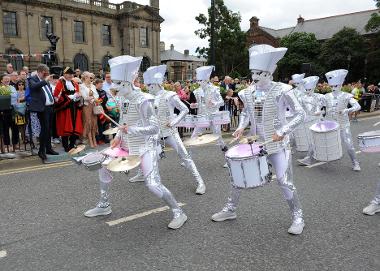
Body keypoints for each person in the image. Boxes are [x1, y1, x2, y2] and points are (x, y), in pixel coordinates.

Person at [211, 44, 306, 235]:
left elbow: (300, 114)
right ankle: (231, 209)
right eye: (253, 72)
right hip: (255, 143)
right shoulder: (247, 92)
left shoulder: (284, 90)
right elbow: (246, 113)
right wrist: (239, 127)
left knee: (284, 180)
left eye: (259, 72)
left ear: (269, 72)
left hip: (278, 144)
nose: (255, 76)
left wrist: (283, 130)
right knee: (238, 174)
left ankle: (298, 215)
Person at [84, 55, 187, 230]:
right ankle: (104, 205)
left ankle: (179, 212)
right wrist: (117, 138)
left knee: (153, 185)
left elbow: (155, 128)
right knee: (103, 164)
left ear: (128, 83)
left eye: (118, 83)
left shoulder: (144, 100)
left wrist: (132, 130)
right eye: (114, 83)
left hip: (145, 147)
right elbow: (123, 121)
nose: (114, 87)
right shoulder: (124, 99)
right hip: (126, 145)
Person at [129, 65, 206, 194]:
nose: (147, 87)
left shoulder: (170, 95)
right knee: (146, 154)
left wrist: (174, 121)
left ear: (156, 84)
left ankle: (200, 182)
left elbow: (185, 109)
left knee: (185, 157)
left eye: (149, 85)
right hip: (155, 134)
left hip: (170, 133)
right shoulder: (148, 97)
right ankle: (142, 174)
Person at [321, 69, 361, 171]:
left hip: (343, 124)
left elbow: (357, 106)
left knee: (349, 145)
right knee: (319, 140)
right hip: (329, 123)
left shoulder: (346, 95)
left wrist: (347, 110)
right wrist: (320, 114)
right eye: (332, 86)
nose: (334, 88)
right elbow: (321, 108)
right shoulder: (326, 96)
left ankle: (355, 162)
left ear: (341, 84)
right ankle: (310, 158)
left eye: (336, 86)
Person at [191, 66, 228, 167]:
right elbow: (201, 104)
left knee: (218, 138)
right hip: (202, 117)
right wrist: (195, 105)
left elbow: (221, 102)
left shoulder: (215, 89)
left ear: (206, 79)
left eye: (201, 80)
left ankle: (228, 159)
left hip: (213, 116)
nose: (199, 82)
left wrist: (214, 103)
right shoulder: (197, 91)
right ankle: (189, 160)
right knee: (194, 136)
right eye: (198, 80)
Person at [28, 64, 59, 160]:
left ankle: (48, 148)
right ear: (41, 71)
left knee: (49, 129)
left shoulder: (45, 81)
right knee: (44, 130)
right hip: (42, 109)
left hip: (50, 107)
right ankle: (41, 151)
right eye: (45, 73)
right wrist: (45, 80)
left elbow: (47, 91)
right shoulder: (32, 79)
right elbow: (34, 87)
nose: (47, 75)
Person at [53, 67, 83, 152]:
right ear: (64, 74)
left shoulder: (75, 83)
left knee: (74, 126)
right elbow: (56, 96)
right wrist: (69, 98)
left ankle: (72, 144)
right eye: (69, 74)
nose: (70, 75)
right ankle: (66, 146)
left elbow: (78, 93)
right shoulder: (60, 83)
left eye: (72, 74)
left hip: (74, 107)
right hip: (65, 108)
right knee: (65, 126)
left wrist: (78, 96)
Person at [297, 76, 324, 166]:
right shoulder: (302, 98)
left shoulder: (319, 96)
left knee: (314, 139)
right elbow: (300, 109)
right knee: (310, 140)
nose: (308, 91)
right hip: (307, 121)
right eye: (306, 89)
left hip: (317, 120)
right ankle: (312, 156)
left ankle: (310, 158)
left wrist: (320, 111)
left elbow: (326, 108)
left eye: (310, 89)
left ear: (314, 88)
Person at [80, 72, 99, 148]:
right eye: (89, 77)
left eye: (91, 77)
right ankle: (90, 140)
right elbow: (84, 97)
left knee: (94, 122)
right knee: (88, 122)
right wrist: (92, 98)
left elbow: (96, 95)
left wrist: (94, 98)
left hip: (93, 105)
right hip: (86, 106)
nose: (91, 79)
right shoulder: (81, 86)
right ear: (85, 77)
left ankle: (94, 139)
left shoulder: (93, 86)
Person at [0, 75, 19, 152]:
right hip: (3, 111)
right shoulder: (0, 88)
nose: (7, 80)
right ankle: (7, 146)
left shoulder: (12, 87)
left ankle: (15, 145)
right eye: (5, 79)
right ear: (1, 80)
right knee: (5, 129)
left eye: (8, 79)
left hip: (13, 110)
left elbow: (16, 97)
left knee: (15, 128)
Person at [94, 78, 109, 144]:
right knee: (100, 125)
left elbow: (106, 100)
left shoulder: (104, 91)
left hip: (105, 109)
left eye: (102, 84)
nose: (101, 85)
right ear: (96, 84)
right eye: (100, 84)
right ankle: (99, 139)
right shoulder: (95, 92)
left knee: (105, 125)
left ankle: (105, 138)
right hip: (99, 110)